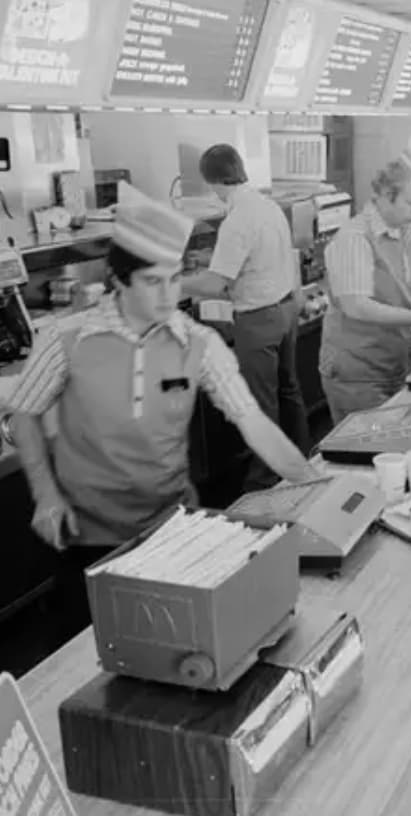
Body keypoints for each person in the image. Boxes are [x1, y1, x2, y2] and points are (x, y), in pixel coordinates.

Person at [4, 182, 318, 631]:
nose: (168, 296)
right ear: (117, 281)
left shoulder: (198, 342)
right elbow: (24, 412)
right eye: (153, 282)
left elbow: (254, 423)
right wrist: (46, 494)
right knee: (85, 658)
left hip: (172, 530)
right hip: (87, 538)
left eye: (174, 279)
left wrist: (313, 484)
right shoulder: (66, 340)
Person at [181, 143, 309, 490]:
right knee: (288, 391)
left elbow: (215, 282)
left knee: (259, 402)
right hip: (285, 309)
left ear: (211, 181)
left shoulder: (237, 220)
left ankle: (264, 480)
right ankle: (302, 463)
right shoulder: (267, 207)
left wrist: (175, 285)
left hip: (258, 320)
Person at [319, 135, 411, 423]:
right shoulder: (354, 238)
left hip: (393, 363)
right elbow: (357, 306)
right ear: (386, 196)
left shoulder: (410, 232)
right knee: (367, 449)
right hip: (356, 372)